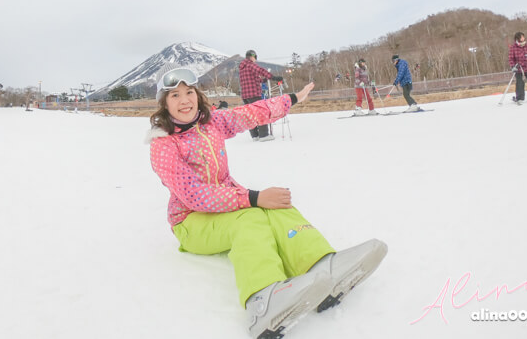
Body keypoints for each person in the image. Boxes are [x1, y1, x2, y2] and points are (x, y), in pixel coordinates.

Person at [147, 67, 387, 338]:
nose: (184, 100)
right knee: (250, 218)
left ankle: (322, 266)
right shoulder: (163, 144)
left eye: (189, 92)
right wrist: (252, 197)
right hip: (190, 222)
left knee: (276, 206)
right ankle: (263, 300)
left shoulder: (211, 123)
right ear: (165, 104)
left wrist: (292, 99)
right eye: (175, 95)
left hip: (224, 205)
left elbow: (252, 113)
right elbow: (193, 194)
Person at [239, 50, 282, 142]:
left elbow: (251, 80)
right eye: (255, 58)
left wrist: (263, 81)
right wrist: (272, 77)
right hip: (254, 94)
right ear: (252, 56)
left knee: (250, 115)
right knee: (260, 112)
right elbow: (260, 70)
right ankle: (264, 135)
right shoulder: (250, 64)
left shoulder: (242, 68)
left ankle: (255, 135)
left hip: (245, 96)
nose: (255, 60)